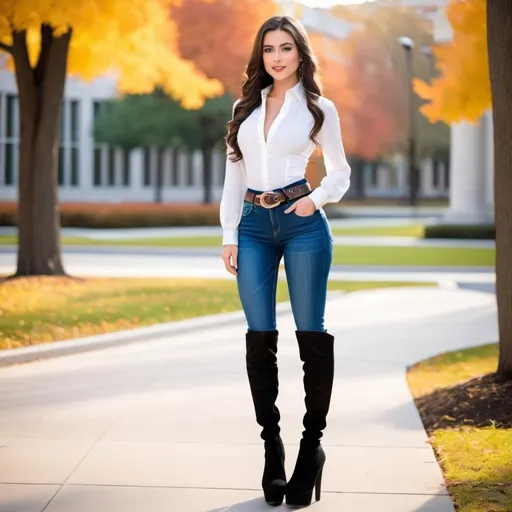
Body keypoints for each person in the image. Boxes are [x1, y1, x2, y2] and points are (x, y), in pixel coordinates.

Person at [219, 15, 351, 508]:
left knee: (310, 334)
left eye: (286, 48)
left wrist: (313, 201)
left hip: (301, 223)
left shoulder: (320, 109)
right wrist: (230, 234)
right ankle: (272, 448)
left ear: (300, 54)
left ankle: (310, 448)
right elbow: (234, 176)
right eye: (269, 49)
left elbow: (340, 172)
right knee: (260, 338)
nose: (277, 57)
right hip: (252, 225)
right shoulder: (244, 109)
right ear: (262, 55)